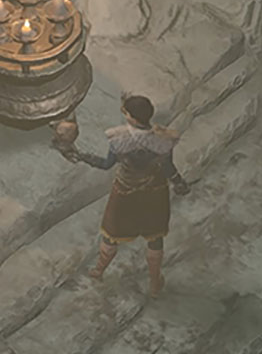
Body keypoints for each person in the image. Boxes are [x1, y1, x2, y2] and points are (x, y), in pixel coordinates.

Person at [57, 95, 190, 297]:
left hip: (125, 192)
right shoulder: (163, 139)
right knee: (155, 236)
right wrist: (179, 182)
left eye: (126, 112)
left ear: (133, 118)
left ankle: (99, 271)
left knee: (111, 233)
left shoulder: (119, 139)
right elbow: (168, 167)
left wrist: (82, 156)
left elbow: (106, 164)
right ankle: (155, 283)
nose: (124, 115)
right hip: (155, 191)